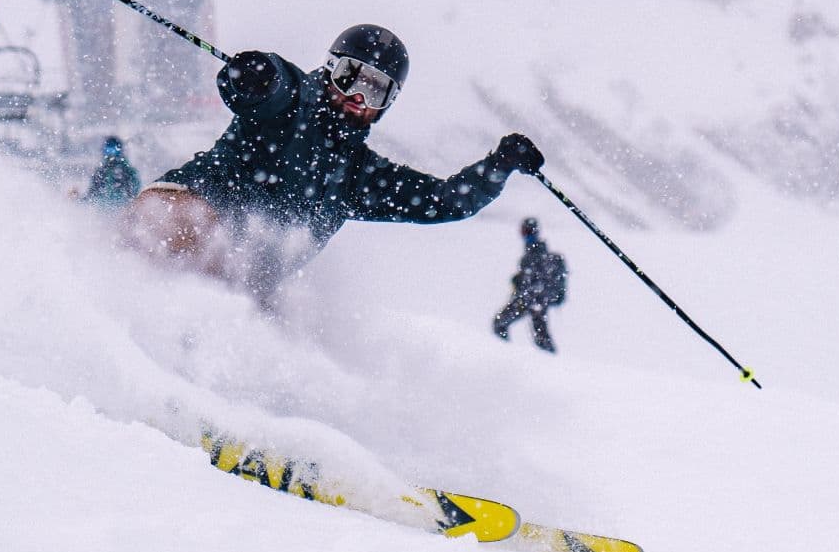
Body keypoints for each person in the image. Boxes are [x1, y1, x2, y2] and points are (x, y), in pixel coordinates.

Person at [122, 24, 543, 307]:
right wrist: (256, 76)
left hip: (244, 284)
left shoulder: (358, 176)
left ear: (387, 104)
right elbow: (269, 88)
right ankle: (119, 300)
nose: (357, 97)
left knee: (264, 311)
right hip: (187, 210)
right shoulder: (292, 102)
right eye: (350, 77)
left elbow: (444, 200)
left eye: (375, 91)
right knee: (202, 246)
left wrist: (498, 167)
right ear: (329, 70)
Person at [491, 217, 567, 354]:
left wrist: (522, 287)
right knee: (541, 336)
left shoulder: (533, 255)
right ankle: (508, 354)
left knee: (501, 324)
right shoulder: (534, 254)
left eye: (525, 231)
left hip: (531, 300)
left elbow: (534, 281)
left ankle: (504, 354)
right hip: (535, 300)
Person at [82, 135, 141, 209]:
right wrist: (77, 199)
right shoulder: (100, 172)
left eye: (114, 150)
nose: (111, 154)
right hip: (104, 212)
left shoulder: (128, 171)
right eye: (108, 150)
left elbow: (136, 194)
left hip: (124, 211)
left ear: (120, 151)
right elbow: (91, 196)